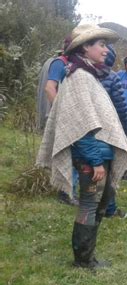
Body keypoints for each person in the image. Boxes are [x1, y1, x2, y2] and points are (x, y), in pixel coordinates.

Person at [36, 24, 127, 269]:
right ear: (85, 47)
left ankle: (88, 256)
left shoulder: (88, 73)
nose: (105, 49)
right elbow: (79, 124)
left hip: (98, 152)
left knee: (98, 204)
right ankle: (83, 260)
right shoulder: (79, 77)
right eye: (100, 44)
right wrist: (94, 160)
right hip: (92, 156)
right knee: (89, 204)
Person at [37, 37, 79, 207]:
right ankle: (65, 192)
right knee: (67, 153)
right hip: (62, 116)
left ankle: (68, 189)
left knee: (74, 153)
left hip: (72, 116)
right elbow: (49, 88)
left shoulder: (72, 64)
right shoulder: (60, 63)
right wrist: (60, 111)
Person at [100, 44, 127, 219]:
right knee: (110, 172)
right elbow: (120, 108)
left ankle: (92, 205)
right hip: (109, 131)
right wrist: (123, 132)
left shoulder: (84, 75)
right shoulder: (113, 78)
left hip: (89, 130)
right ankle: (109, 209)